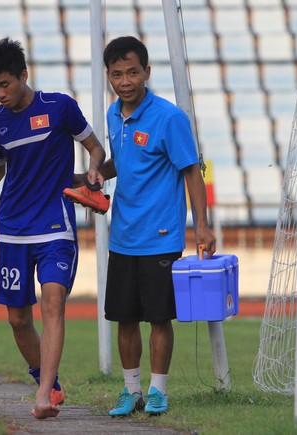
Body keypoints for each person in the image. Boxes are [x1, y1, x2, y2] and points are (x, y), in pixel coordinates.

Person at [0, 37, 106, 420]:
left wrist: (93, 169)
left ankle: (42, 395)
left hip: (55, 226)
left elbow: (95, 148)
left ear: (23, 75)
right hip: (12, 231)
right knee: (18, 318)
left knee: (53, 302)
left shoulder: (59, 107)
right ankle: (48, 381)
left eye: (5, 84)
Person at [97, 36, 216, 416]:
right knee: (124, 317)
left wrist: (203, 226)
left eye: (133, 72)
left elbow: (192, 172)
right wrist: (95, 174)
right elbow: (122, 159)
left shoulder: (170, 118)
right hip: (122, 235)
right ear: (109, 78)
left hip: (161, 236)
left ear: (147, 72)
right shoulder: (113, 114)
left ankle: (158, 391)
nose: (125, 81)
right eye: (117, 74)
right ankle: (131, 391)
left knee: (160, 317)